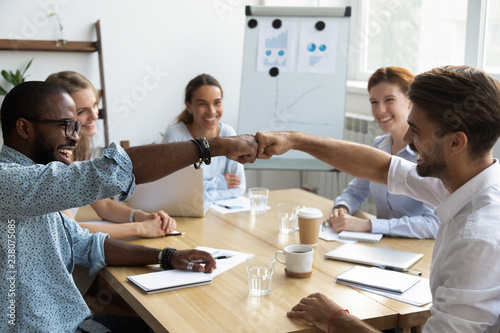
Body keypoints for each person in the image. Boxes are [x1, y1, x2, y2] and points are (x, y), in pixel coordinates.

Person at [256, 65, 500, 332]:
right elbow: (382, 167)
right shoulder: (467, 181)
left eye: (416, 131)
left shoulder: (477, 237)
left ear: (455, 143)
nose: (407, 138)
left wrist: (336, 319)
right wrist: (294, 140)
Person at [0, 81, 257, 332]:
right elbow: (109, 172)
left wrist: (167, 256)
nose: (75, 137)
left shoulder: (35, 185)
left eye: (77, 126)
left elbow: (86, 244)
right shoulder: (7, 181)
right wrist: (214, 146)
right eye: (66, 126)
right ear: (24, 128)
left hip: (73, 322)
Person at [46, 71, 175, 240]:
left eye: (94, 105)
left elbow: (104, 205)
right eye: (82, 111)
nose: (94, 115)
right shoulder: (50, 161)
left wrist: (142, 216)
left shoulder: (79, 149)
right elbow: (68, 231)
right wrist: (140, 228)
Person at [329, 67, 440, 239]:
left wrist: (368, 225)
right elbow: (357, 190)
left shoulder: (428, 154)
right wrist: (342, 208)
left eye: (389, 100)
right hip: (381, 245)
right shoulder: (378, 145)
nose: (380, 110)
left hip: (415, 249)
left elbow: (433, 224)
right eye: (374, 102)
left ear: (411, 102)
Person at [162, 74, 246, 201]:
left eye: (217, 103)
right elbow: (170, 189)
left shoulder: (228, 133)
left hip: (221, 214)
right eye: (203, 104)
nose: (211, 111)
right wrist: (219, 183)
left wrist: (196, 192)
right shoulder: (175, 135)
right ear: (189, 106)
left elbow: (238, 188)